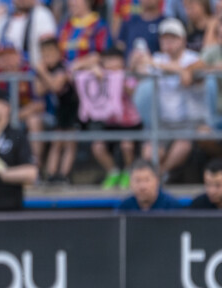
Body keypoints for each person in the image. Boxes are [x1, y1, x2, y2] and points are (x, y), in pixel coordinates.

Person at [133, 19, 203, 179]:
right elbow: (138, 72)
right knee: (149, 153)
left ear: (183, 40)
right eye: (165, 38)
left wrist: (153, 63)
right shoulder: (157, 58)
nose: (168, 42)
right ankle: (155, 178)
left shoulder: (192, 58)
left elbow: (191, 72)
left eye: (173, 38)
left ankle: (159, 175)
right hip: (162, 122)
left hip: (187, 121)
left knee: (183, 146)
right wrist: (135, 61)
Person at [74, 47, 141, 188]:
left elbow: (133, 92)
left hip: (129, 123)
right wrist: (93, 66)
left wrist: (118, 81)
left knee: (126, 146)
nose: (112, 63)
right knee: (97, 146)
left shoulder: (127, 75)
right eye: (108, 60)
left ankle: (129, 173)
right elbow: (72, 70)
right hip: (110, 122)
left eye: (115, 59)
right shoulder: (100, 74)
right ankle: (114, 173)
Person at [34, 37, 79, 184]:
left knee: (69, 143)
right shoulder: (47, 71)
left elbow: (56, 86)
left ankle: (64, 175)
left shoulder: (62, 67)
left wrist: (42, 72)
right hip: (59, 111)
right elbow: (39, 90)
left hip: (73, 109)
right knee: (56, 142)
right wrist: (46, 76)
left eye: (50, 54)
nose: (47, 58)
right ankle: (52, 175)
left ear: (58, 53)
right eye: (44, 55)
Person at [0, 0, 58, 69]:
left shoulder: (42, 14)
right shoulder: (3, 19)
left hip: (33, 73)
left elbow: (48, 48)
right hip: (3, 74)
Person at [57, 0, 111, 70]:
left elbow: (102, 55)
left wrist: (78, 64)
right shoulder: (64, 27)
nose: (72, 2)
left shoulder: (99, 26)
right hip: (63, 74)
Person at [117, 158, 182, 210]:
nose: (142, 186)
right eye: (137, 181)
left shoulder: (172, 207)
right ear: (130, 183)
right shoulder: (124, 208)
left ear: (157, 181)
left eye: (147, 180)